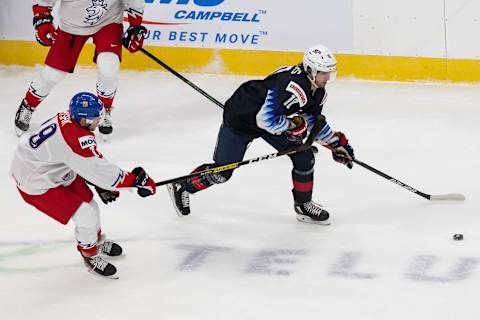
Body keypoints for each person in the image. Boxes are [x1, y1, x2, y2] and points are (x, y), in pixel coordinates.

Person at [167, 45, 355, 225]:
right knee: (223, 172)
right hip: (241, 118)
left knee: (303, 157)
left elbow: (313, 120)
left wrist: (335, 144)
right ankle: (183, 186)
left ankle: (303, 205)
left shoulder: (317, 92)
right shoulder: (293, 88)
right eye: (323, 73)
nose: (328, 77)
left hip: (268, 119)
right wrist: (292, 125)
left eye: (329, 72)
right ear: (309, 70)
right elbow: (265, 121)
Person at [10, 92, 157, 278]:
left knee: (91, 204)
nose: (98, 122)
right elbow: (99, 169)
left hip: (49, 166)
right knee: (85, 215)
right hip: (35, 180)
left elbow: (84, 159)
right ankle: (89, 255)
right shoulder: (75, 139)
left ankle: (94, 241)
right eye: (96, 118)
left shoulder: (69, 119)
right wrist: (136, 181)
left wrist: (98, 182)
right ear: (83, 120)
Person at [14, 0, 147, 137]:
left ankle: (105, 109)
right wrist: (42, 20)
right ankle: (28, 105)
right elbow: (43, 2)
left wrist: (135, 27)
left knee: (109, 65)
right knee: (53, 74)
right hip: (71, 26)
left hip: (109, 22)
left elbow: (135, 3)